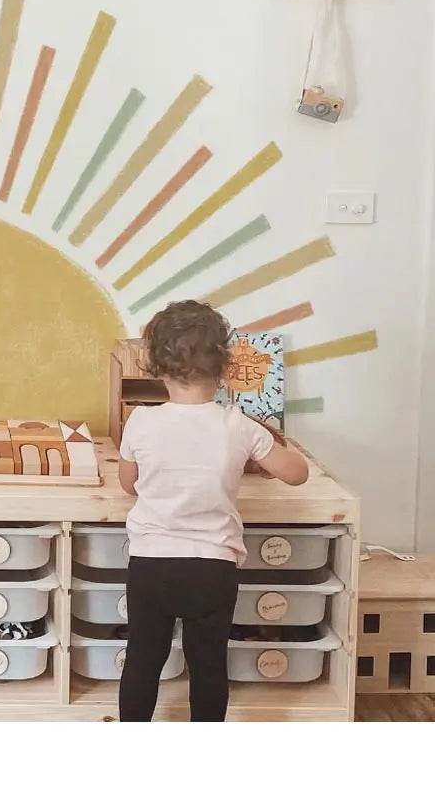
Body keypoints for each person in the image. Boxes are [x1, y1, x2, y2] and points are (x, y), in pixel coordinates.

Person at [117, 300, 308, 721]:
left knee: (143, 660)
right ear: (223, 368)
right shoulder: (238, 424)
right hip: (212, 567)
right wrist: (266, 444)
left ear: (156, 366)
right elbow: (297, 474)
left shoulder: (140, 422)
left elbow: (128, 484)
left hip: (152, 565)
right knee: (208, 665)